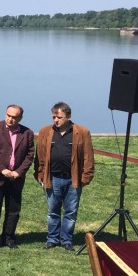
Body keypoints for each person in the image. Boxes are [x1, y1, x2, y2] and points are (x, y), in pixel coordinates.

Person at [34, 102, 94, 251]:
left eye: (59, 117)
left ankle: (66, 240)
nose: (56, 120)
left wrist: (85, 177)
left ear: (68, 116)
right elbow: (39, 155)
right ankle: (52, 239)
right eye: (54, 117)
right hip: (52, 178)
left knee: (71, 212)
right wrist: (40, 174)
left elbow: (88, 156)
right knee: (53, 211)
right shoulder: (45, 131)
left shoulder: (82, 132)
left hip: (72, 179)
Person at [0, 105, 34, 249]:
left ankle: (8, 238)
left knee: (13, 210)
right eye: (8, 115)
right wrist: (2, 169)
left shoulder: (27, 133)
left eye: (14, 117)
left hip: (16, 178)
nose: (10, 119)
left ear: (20, 118)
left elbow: (29, 155)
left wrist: (19, 172)